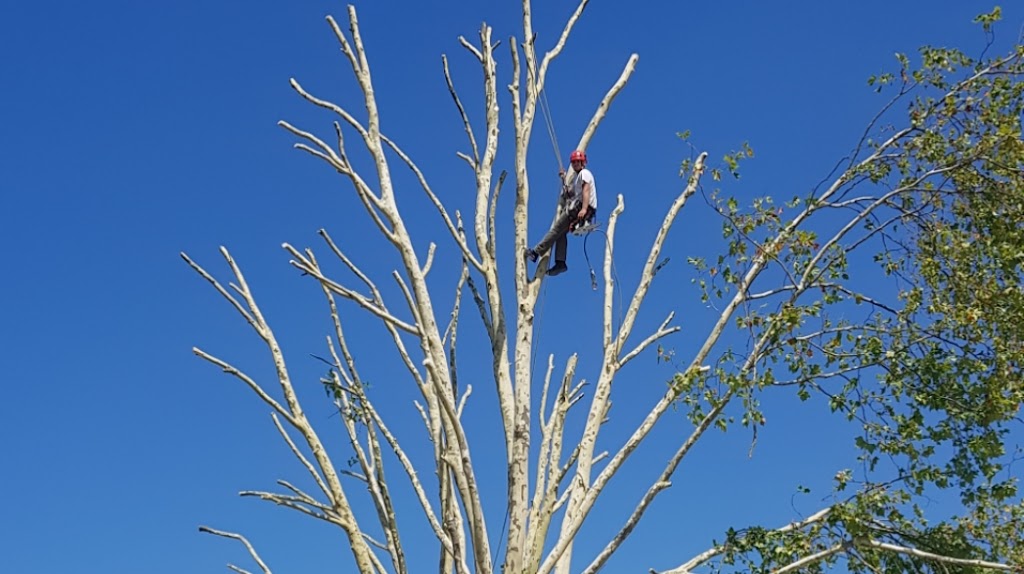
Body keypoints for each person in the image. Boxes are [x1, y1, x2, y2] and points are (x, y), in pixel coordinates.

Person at [526, 149, 598, 276]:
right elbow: (570, 193)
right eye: (574, 162)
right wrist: (564, 178)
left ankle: (536, 252)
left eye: (578, 162)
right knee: (560, 233)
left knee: (556, 230)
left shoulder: (584, 173)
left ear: (583, 162)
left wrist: (584, 208)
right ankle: (560, 263)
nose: (575, 164)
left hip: (580, 209)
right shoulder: (578, 178)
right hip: (583, 209)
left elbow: (586, 190)